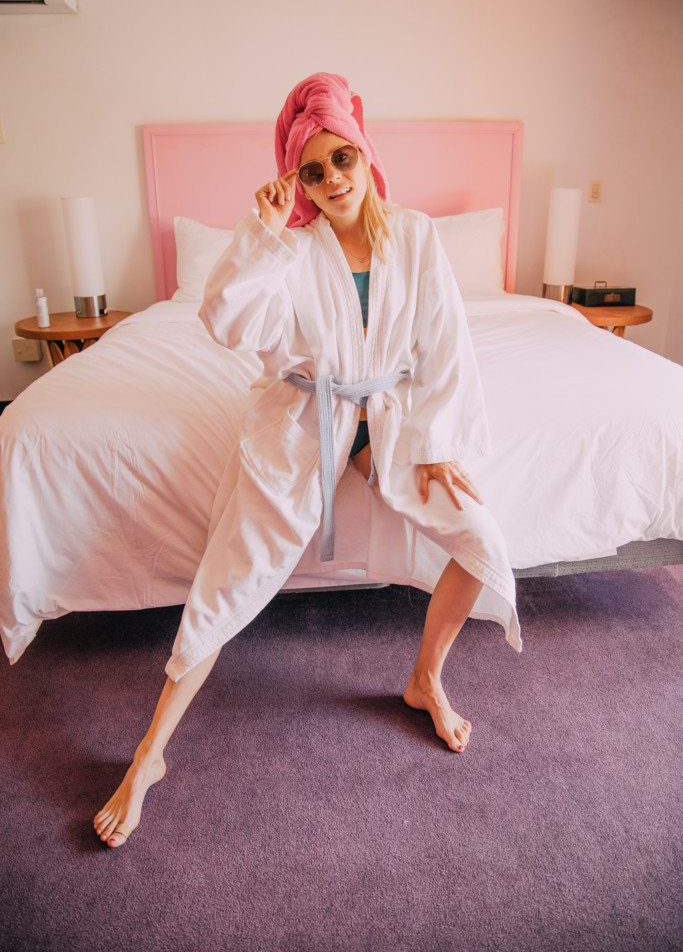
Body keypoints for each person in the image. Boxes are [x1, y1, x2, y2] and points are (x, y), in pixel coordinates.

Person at [94, 73, 519, 848]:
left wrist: (436, 445)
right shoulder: (285, 249)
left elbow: (445, 349)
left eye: (342, 160)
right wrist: (255, 238)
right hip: (300, 418)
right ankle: (148, 755)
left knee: (482, 539)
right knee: (230, 579)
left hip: (386, 420)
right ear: (296, 179)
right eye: (312, 171)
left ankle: (425, 679)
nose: (331, 182)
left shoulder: (417, 236)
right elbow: (225, 322)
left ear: (366, 155)